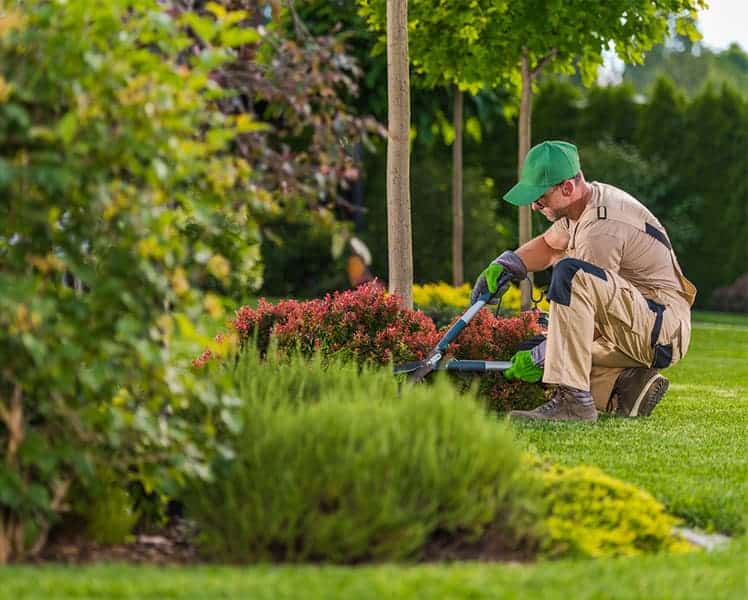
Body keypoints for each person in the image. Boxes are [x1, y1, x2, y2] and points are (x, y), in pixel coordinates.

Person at [471, 141, 696, 421]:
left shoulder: (600, 230)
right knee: (539, 347)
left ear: (567, 187)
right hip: (636, 324)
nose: (534, 205)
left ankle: (573, 402)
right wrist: (507, 264)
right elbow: (550, 245)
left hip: (659, 328)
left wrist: (544, 356)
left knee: (570, 278)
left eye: (540, 197)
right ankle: (626, 386)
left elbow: (589, 317)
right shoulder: (581, 207)